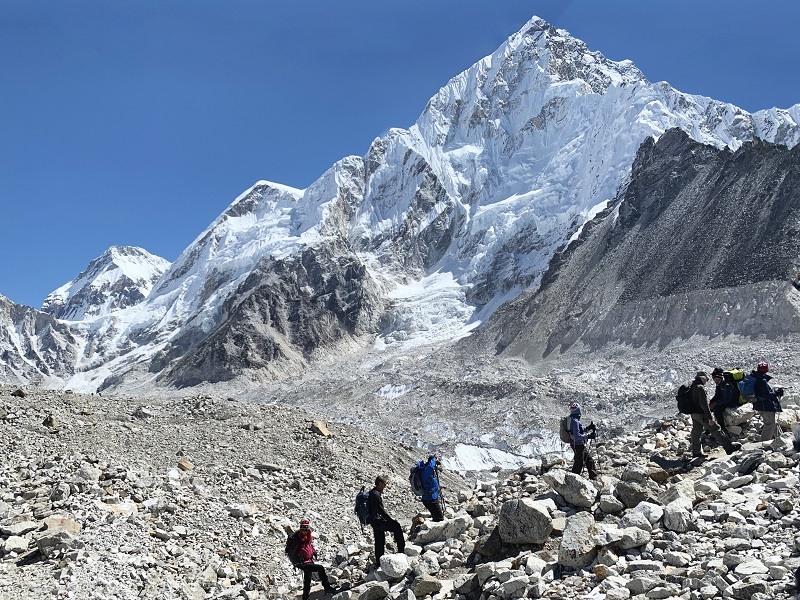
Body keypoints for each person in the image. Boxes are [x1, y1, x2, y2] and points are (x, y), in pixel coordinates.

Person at [689, 371, 741, 458]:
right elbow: (703, 404)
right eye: (706, 379)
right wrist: (710, 418)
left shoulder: (691, 387)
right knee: (716, 429)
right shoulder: (700, 387)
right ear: (702, 378)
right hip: (702, 414)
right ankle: (729, 447)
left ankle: (696, 452)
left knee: (696, 431)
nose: (706, 382)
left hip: (693, 413)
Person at [285, 518, 336, 600]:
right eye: (303, 529)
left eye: (306, 528)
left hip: (308, 560)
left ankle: (305, 597)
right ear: (301, 528)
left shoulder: (307, 535)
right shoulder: (296, 538)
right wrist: (298, 561)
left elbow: (309, 545)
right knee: (320, 568)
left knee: (307, 579)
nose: (305, 531)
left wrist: (314, 552)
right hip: (302, 562)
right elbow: (293, 552)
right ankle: (327, 588)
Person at [367, 475, 405, 562]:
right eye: (384, 484)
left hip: (374, 521)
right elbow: (381, 511)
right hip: (377, 521)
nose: (385, 487)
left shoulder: (372, 492)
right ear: (379, 484)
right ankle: (402, 552)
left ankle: (379, 561)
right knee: (397, 527)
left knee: (379, 540)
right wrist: (391, 521)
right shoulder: (375, 495)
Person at [751, 361, 784, 441]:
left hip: (759, 405)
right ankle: (763, 443)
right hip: (766, 406)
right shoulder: (762, 380)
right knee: (769, 424)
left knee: (772, 423)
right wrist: (777, 393)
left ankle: (781, 439)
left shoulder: (755, 378)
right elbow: (766, 395)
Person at [568, 402, 598, 480]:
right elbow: (577, 436)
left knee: (587, 460)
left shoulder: (574, 420)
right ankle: (573, 479)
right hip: (577, 445)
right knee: (580, 462)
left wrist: (588, 428)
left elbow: (580, 431)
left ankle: (593, 477)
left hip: (577, 444)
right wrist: (588, 436)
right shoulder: (575, 421)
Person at [709, 367, 737, 437]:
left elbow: (727, 398)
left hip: (732, 402)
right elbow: (717, 395)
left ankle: (722, 427)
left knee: (717, 409)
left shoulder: (726, 384)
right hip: (725, 400)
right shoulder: (719, 383)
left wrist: (715, 403)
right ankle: (710, 426)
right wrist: (711, 402)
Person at [415, 455, 444, 522]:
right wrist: (434, 459)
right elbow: (431, 467)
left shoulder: (428, 472)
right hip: (430, 499)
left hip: (431, 498)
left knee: (436, 518)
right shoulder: (425, 471)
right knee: (440, 519)